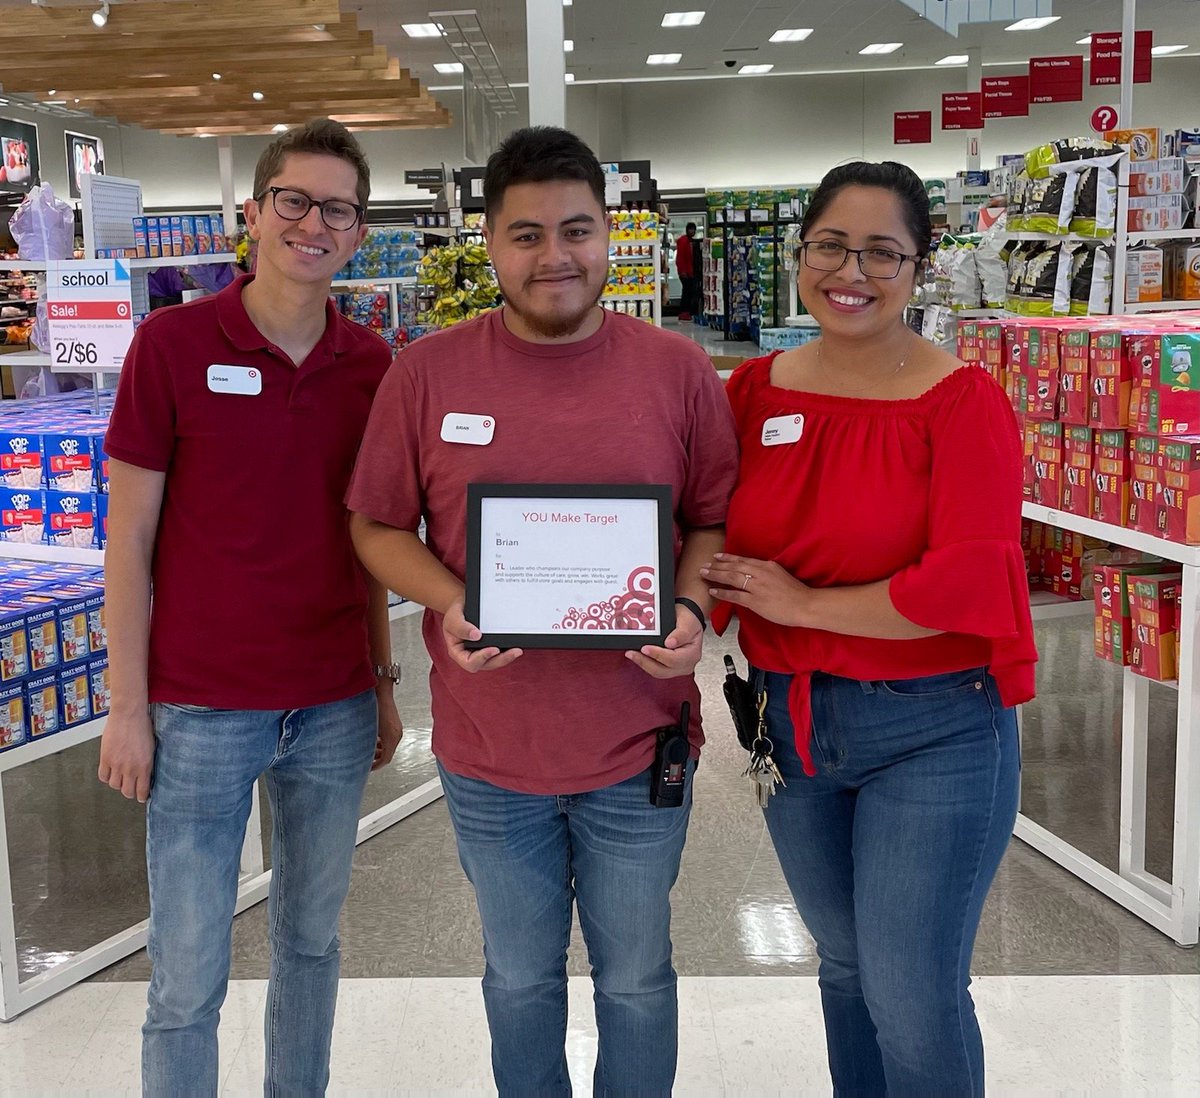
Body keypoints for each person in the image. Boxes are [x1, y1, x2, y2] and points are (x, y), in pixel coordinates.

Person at [347, 125, 737, 1096]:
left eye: (576, 230)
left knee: (638, 982)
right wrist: (451, 602)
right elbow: (377, 527)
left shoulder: (677, 369)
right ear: (489, 243)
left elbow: (710, 520)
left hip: (640, 748)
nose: (553, 257)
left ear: (611, 233)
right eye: (526, 235)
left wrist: (687, 607)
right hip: (490, 755)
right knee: (518, 981)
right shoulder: (427, 374)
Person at [702, 160, 1036, 1097]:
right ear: (801, 251)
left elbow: (966, 580)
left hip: (934, 729)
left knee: (913, 993)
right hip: (791, 729)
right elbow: (709, 532)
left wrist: (802, 604)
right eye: (831, 245)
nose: (852, 270)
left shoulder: (962, 403)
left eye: (883, 252)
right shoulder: (755, 391)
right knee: (846, 974)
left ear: (920, 267)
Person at [97, 119, 404, 1096]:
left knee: (311, 948)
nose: (314, 223)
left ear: (358, 232)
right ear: (254, 211)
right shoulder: (172, 345)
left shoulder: (373, 367)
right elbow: (129, 541)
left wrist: (383, 682)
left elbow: (371, 543)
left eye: (338, 209)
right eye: (295, 201)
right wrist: (127, 706)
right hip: (198, 712)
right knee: (186, 976)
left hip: (330, 707)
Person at [675, 220, 698, 322]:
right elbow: (680, 258)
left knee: (688, 292)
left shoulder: (691, 241)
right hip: (685, 273)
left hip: (690, 272)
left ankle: (686, 312)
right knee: (686, 292)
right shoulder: (684, 241)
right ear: (687, 230)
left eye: (693, 230)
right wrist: (683, 272)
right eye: (690, 229)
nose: (692, 231)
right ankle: (683, 312)